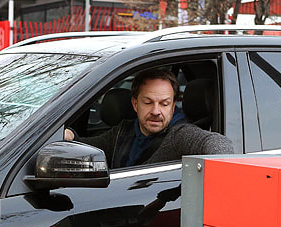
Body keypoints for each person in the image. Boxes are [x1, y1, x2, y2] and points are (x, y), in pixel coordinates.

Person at [64, 68, 233, 168]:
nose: (156, 111)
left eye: (164, 104)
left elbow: (218, 144)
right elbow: (85, 148)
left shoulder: (180, 134)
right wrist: (69, 135)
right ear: (135, 104)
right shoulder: (123, 131)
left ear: (173, 107)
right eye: (148, 102)